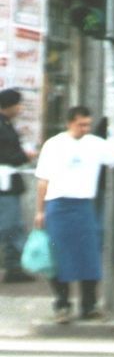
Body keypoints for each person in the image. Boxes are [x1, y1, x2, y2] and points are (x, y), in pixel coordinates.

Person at [34, 105, 114, 323]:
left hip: (83, 207)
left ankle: (89, 305)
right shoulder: (54, 145)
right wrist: (39, 212)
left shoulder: (95, 144)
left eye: (88, 124)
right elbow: (43, 181)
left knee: (88, 257)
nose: (85, 128)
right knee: (59, 259)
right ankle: (62, 305)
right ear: (70, 123)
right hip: (57, 206)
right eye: (81, 124)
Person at [0, 88, 35, 283]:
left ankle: (14, 267)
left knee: (13, 224)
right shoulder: (2, 126)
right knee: (10, 225)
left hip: (10, 182)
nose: (21, 108)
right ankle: (19, 262)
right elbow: (5, 154)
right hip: (4, 182)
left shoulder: (7, 124)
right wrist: (24, 156)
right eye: (18, 104)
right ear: (10, 105)